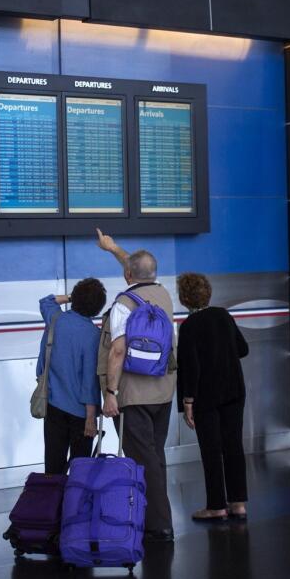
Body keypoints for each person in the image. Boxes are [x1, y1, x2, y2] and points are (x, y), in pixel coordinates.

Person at [95, 228, 177, 543]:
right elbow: (136, 268)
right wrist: (114, 248)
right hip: (162, 390)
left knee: (143, 459)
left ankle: (159, 526)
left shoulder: (123, 305)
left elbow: (117, 351)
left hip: (131, 395)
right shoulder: (163, 295)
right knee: (155, 455)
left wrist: (110, 394)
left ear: (128, 274)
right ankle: (158, 519)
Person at [176, 272, 249, 521]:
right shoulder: (224, 315)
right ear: (207, 293)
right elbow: (243, 349)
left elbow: (191, 368)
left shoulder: (188, 327)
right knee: (234, 446)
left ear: (184, 299)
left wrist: (187, 402)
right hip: (234, 390)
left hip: (206, 397)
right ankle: (238, 503)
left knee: (211, 450)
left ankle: (216, 506)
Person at [37, 278, 107, 475]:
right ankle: (74, 505)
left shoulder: (55, 319)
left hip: (52, 405)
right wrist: (91, 418)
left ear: (74, 299)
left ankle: (52, 505)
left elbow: (46, 301)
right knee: (80, 470)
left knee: (53, 465)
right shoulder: (93, 335)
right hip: (80, 413)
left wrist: (72, 297)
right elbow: (89, 382)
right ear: (97, 308)